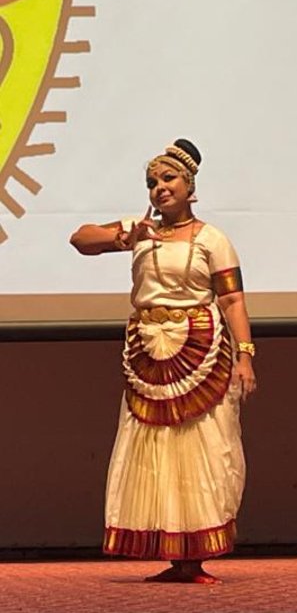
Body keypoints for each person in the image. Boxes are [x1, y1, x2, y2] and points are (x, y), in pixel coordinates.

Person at [70, 138, 257, 584]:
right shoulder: (140, 230)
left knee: (201, 447)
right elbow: (80, 239)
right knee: (155, 450)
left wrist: (245, 356)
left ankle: (195, 557)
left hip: (200, 350)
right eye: (152, 182)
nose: (160, 188)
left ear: (190, 186)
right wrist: (124, 238)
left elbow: (232, 300)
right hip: (149, 353)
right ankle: (173, 554)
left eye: (169, 178)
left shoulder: (212, 239)